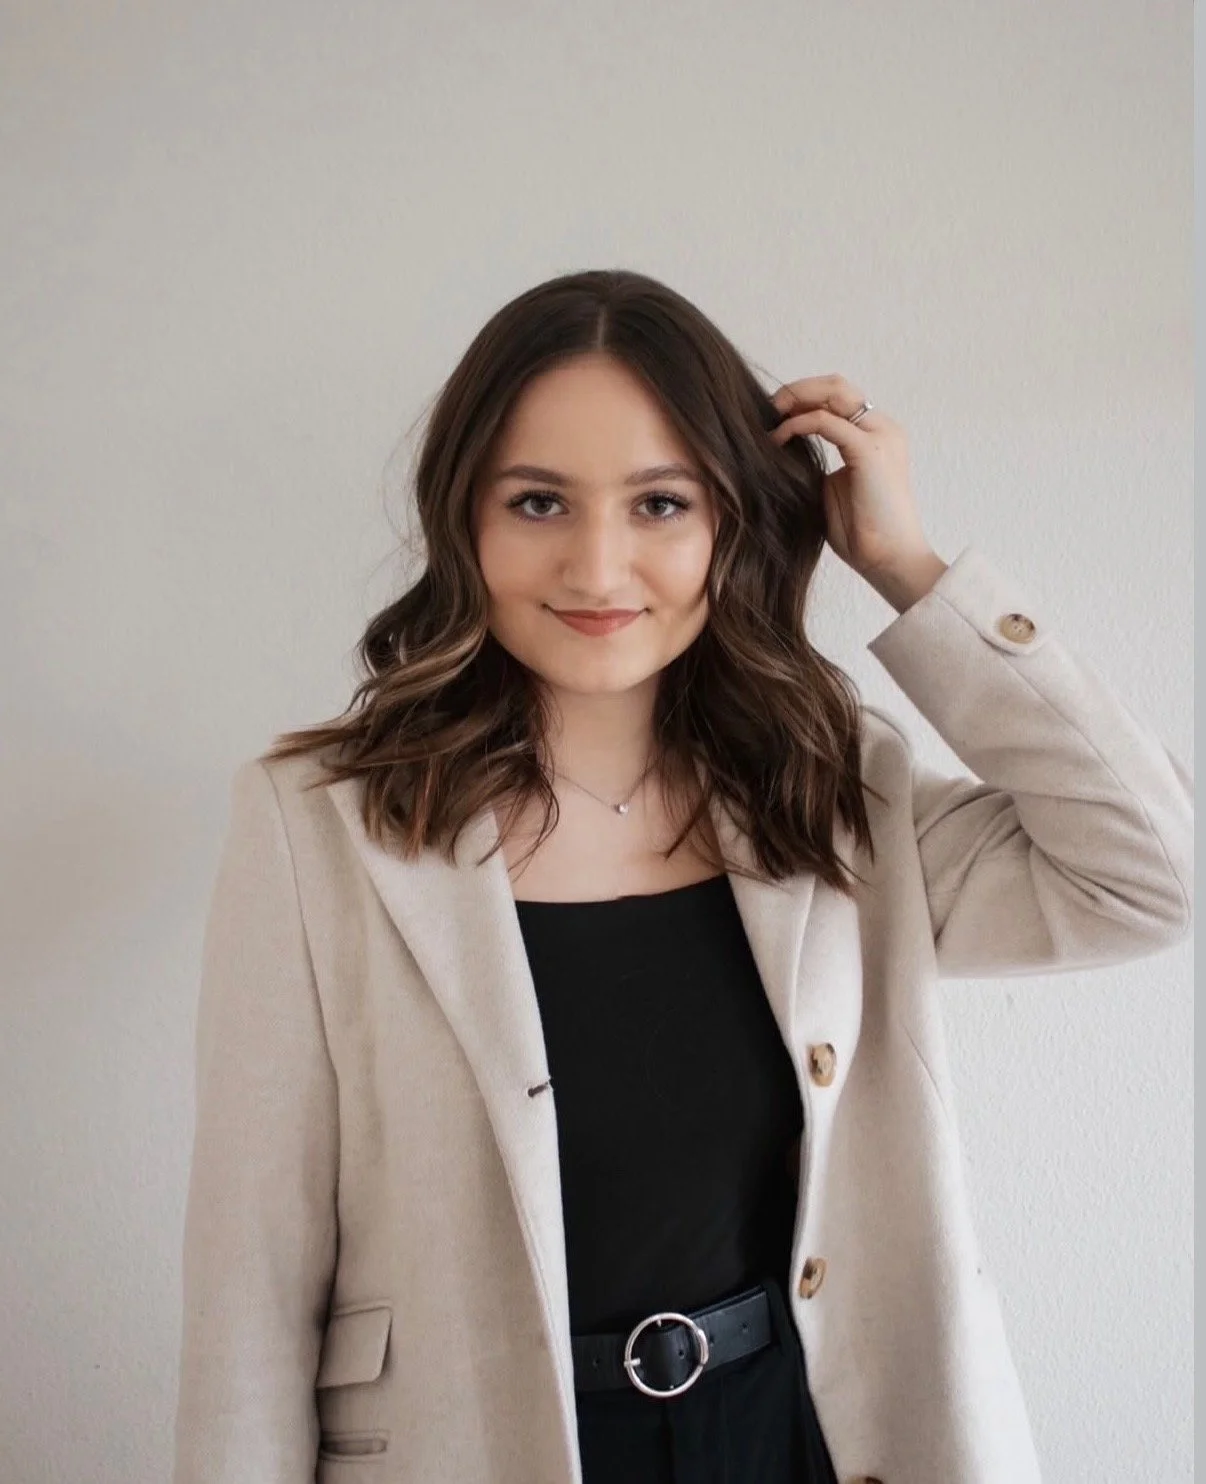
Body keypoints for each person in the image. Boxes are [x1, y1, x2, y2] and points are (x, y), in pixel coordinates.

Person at [171, 269, 1193, 1484]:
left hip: (795, 1436)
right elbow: (253, 1278)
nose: (599, 569)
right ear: (465, 519)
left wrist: (910, 566)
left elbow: (1149, 872)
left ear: (734, 519)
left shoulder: (834, 800)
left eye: (661, 502)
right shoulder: (320, 826)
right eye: (539, 500)